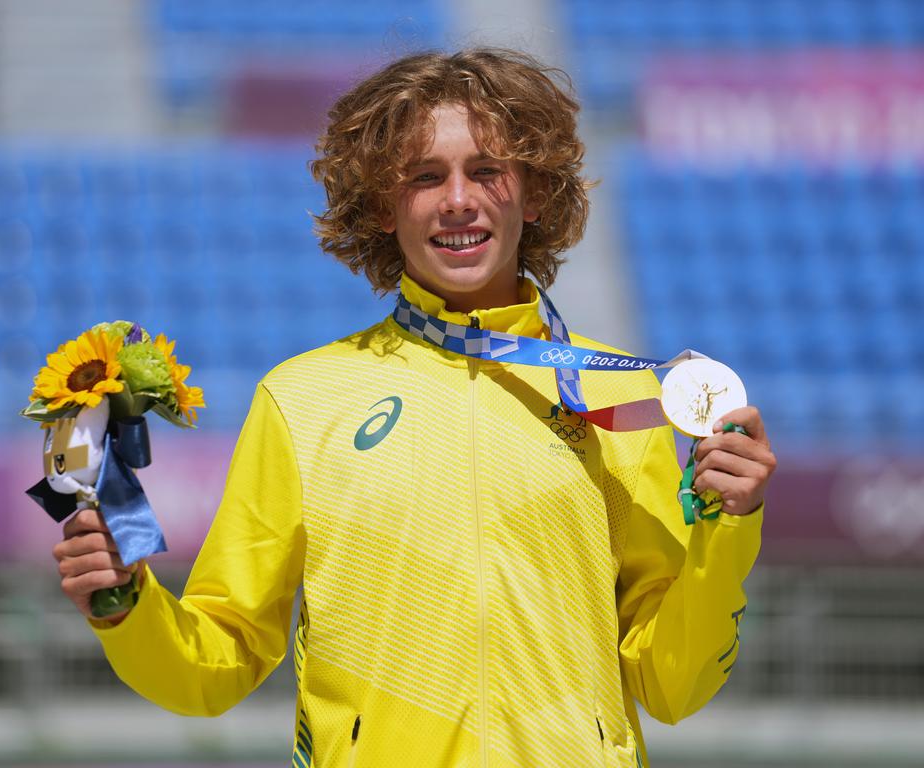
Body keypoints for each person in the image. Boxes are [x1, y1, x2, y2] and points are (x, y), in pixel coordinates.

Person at [53, 48, 776, 767]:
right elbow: (214, 666)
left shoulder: (622, 400)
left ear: (534, 191)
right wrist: (129, 607)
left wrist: (728, 532)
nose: (458, 199)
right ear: (381, 207)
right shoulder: (304, 399)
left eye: (487, 170)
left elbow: (671, 683)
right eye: (425, 177)